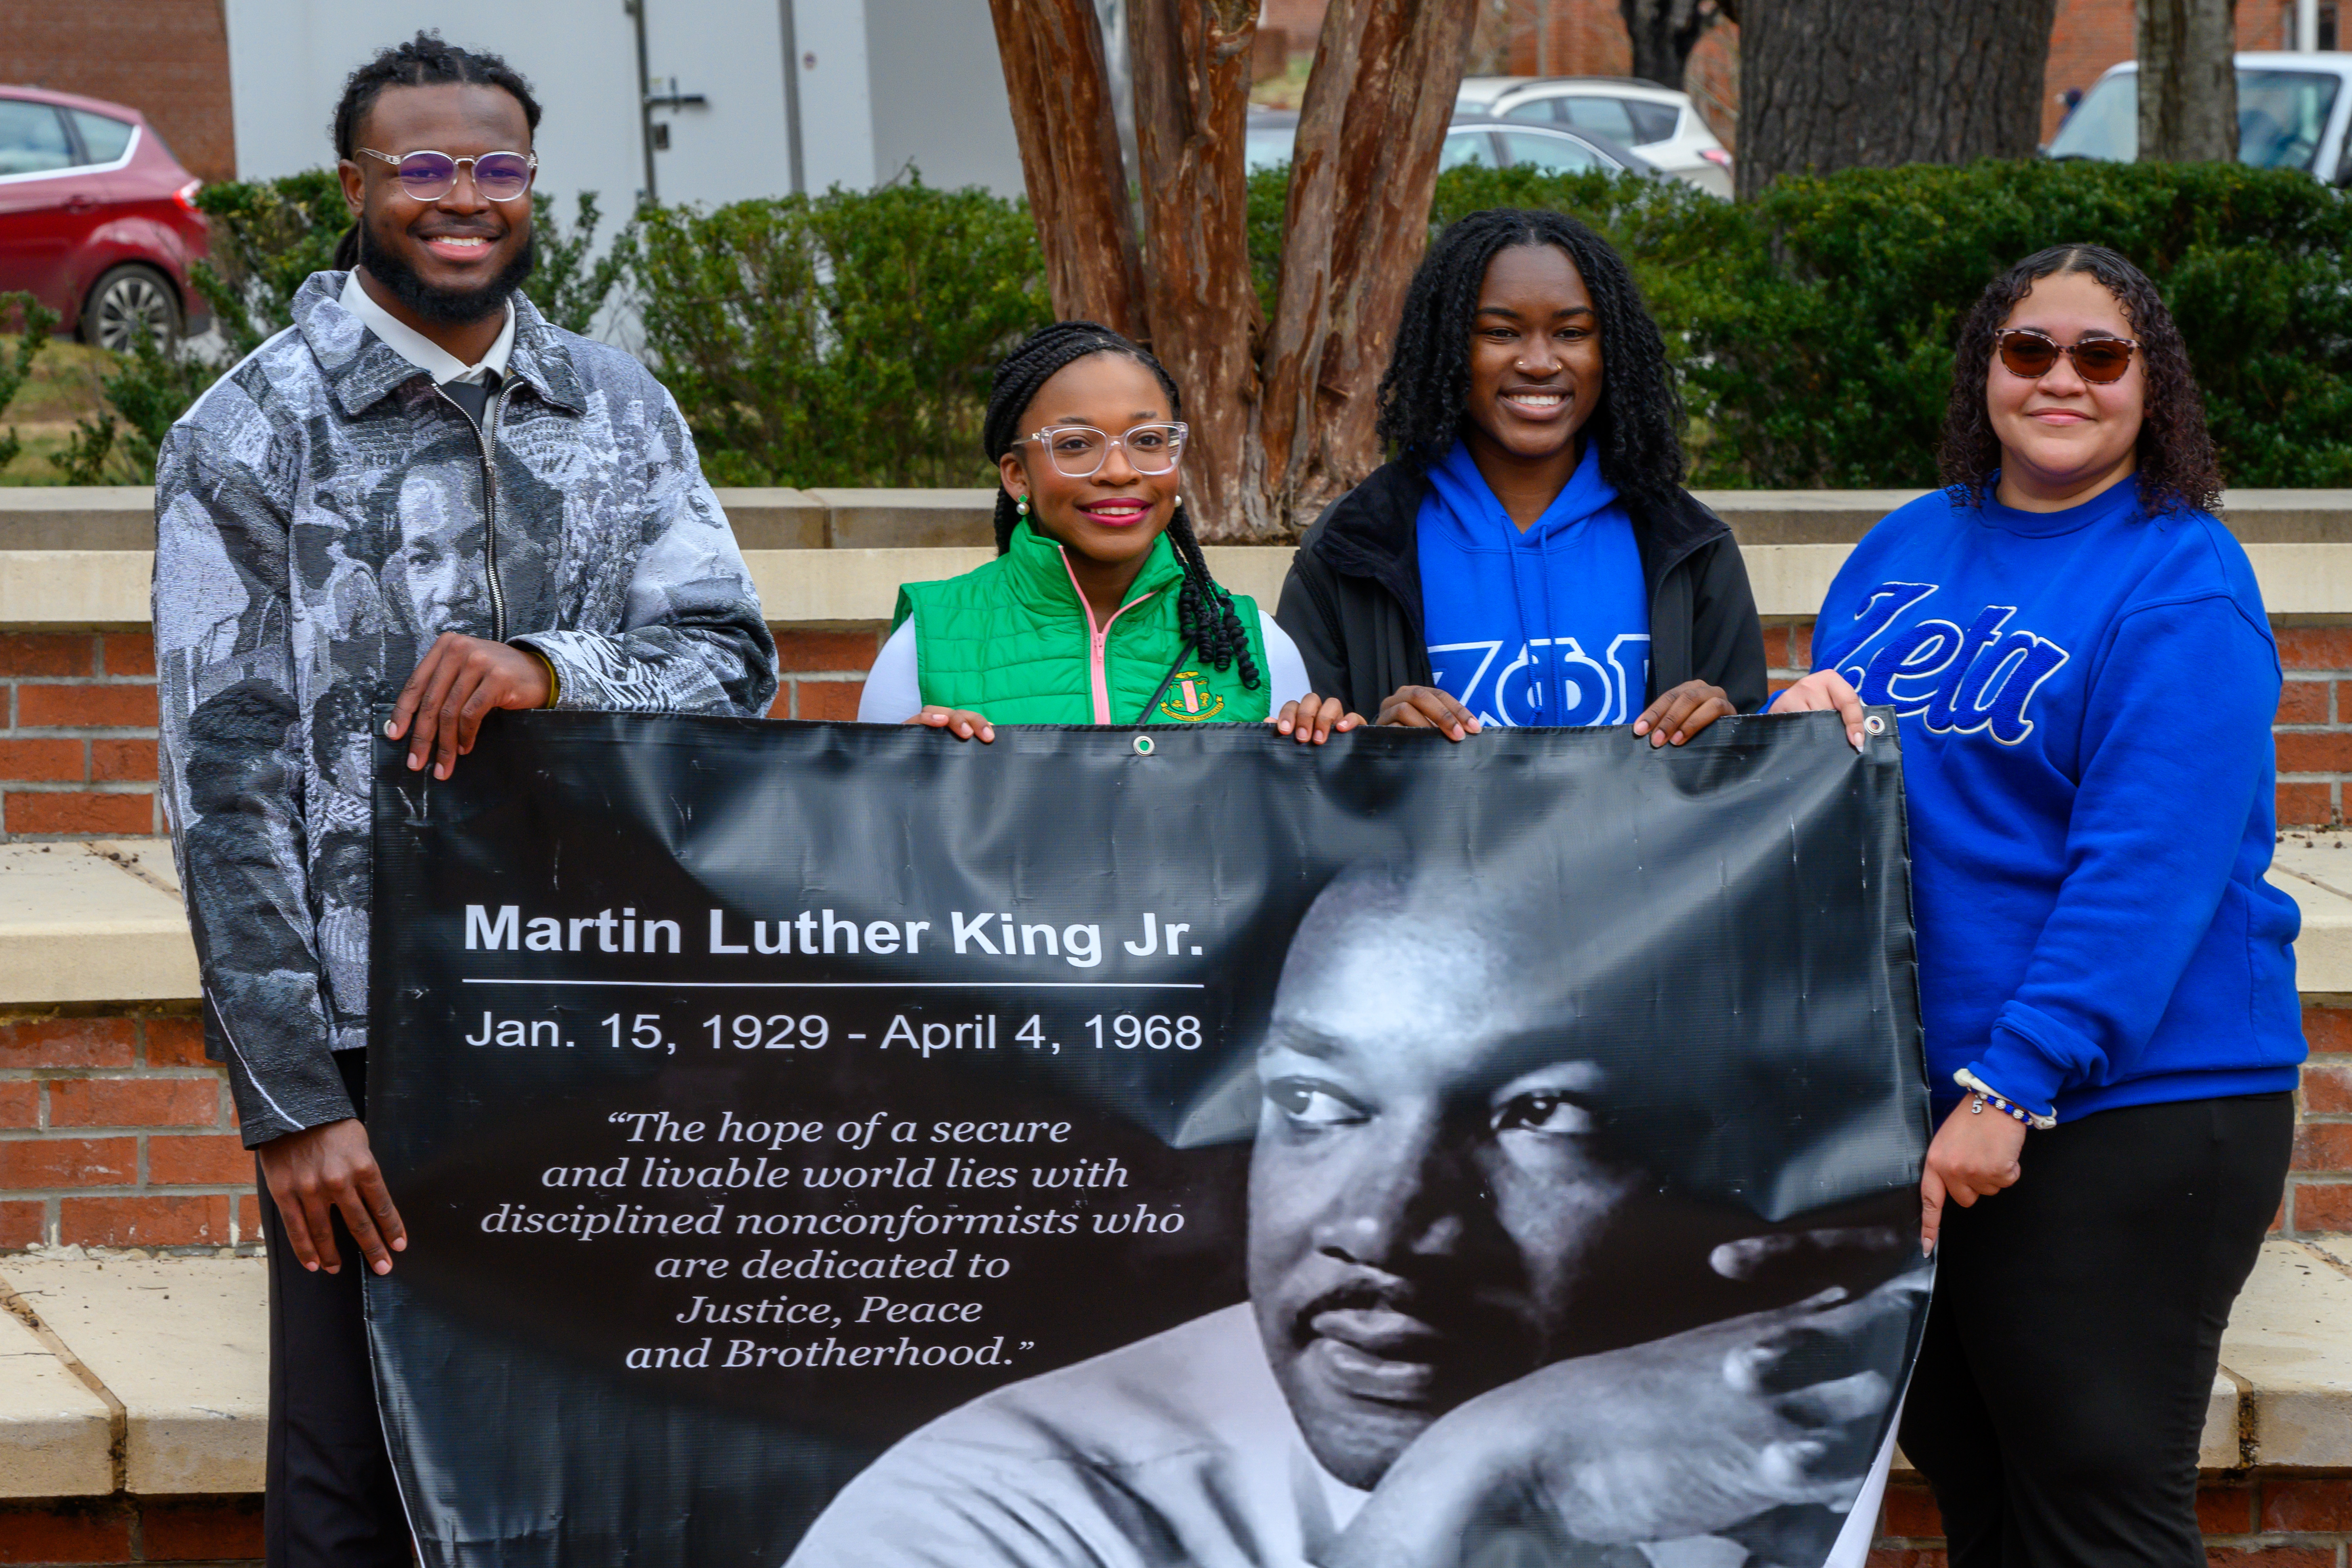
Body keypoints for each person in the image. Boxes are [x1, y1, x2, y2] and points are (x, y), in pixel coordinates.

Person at [151, 33, 778, 1566]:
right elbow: (222, 790)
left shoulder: (616, 408)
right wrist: (293, 1100)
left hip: (598, 1005)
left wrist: (552, 669)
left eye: (495, 167)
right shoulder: (249, 432)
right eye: (422, 166)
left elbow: (733, 664)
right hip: (378, 1036)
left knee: (604, 1448)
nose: (463, 198)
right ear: (355, 186)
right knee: (355, 1468)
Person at [787, 857, 1927, 1568]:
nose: (1383, 1226)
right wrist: (1479, 1482)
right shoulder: (996, 1513)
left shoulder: (1811, 1385)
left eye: (1540, 1112)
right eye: (1314, 1104)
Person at [1773, 243, 2304, 1566]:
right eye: (2029, 350)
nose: (2060, 379)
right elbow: (1855, 803)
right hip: (1929, 1101)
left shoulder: (2182, 578)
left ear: (2150, 383)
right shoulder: (1907, 545)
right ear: (1985, 371)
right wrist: (1794, 727)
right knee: (1977, 1483)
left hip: (2125, 1104)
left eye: (2099, 355)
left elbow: (2148, 870)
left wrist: (2011, 1086)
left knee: (2094, 1508)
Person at [1276, 208, 1764, 746]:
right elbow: (1304, 773)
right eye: (1501, 332)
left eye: (1572, 333)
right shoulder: (1350, 548)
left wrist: (1728, 734)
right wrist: (1376, 750)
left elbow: (1754, 773)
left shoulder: (1690, 545)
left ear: (1611, 350)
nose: (1539, 362)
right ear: (1449, 347)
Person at [858, 322, 1352, 742]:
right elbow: (876, 822)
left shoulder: (1255, 644)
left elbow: (1289, 823)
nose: (1119, 471)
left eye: (1149, 440)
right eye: (1075, 444)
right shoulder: (924, 643)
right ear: (1017, 475)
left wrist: (1328, 760)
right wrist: (912, 774)